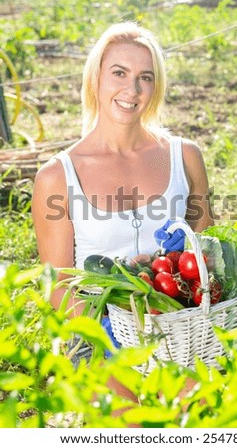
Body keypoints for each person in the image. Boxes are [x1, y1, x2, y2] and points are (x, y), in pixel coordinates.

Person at [31, 21, 214, 413]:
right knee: (130, 424)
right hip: (99, 331)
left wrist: (179, 340)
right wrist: (116, 363)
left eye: (144, 78)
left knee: (196, 415)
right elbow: (60, 290)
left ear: (156, 87)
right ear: (95, 77)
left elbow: (208, 253)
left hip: (180, 326)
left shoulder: (185, 157)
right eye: (119, 73)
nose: (131, 91)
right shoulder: (57, 176)